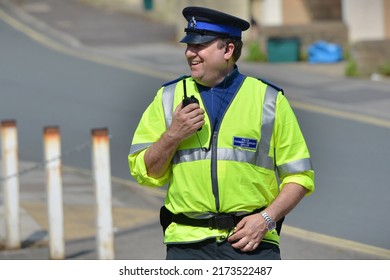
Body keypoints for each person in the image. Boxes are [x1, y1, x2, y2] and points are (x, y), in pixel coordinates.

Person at [128, 6, 315, 260]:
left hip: (251, 243)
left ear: (228, 50)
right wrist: (173, 135)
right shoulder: (167, 98)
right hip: (187, 245)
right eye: (188, 45)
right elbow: (146, 174)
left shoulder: (268, 100)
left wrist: (265, 219)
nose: (189, 53)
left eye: (199, 45)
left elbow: (300, 177)